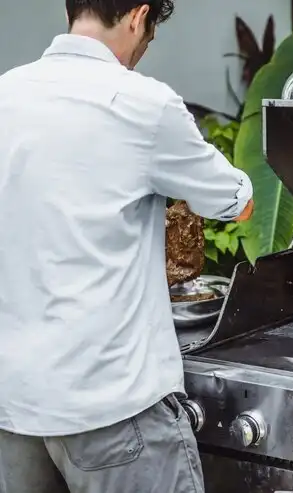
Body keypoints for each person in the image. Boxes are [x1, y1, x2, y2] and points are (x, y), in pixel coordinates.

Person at [0, 1, 254, 492]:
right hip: (113, 410)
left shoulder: (5, 94)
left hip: (14, 408)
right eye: (149, 35)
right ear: (139, 16)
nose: (141, 50)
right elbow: (235, 203)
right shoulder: (143, 103)